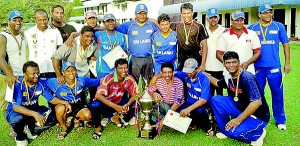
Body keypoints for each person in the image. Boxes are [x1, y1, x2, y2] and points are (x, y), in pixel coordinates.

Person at [207, 51, 270, 145]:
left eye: (234, 62)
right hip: (240, 107)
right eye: (228, 63)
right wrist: (204, 74)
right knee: (216, 100)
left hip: (257, 115)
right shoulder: (229, 76)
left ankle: (259, 134)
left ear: (239, 62)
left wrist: (237, 120)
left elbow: (256, 102)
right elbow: (217, 83)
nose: (231, 65)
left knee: (234, 132)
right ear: (224, 64)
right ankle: (226, 129)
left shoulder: (247, 78)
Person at [5, 61, 71, 146]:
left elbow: (51, 99)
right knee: (17, 119)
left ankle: (30, 128)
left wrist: (65, 102)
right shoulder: (17, 84)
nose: (37, 76)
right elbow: (16, 107)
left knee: (53, 117)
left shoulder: (41, 83)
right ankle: (20, 137)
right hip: (16, 112)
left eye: (38, 72)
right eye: (33, 74)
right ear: (25, 74)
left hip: (32, 109)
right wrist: (35, 114)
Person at [248, 4, 291, 130]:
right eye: (265, 13)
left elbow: (285, 44)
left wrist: (287, 63)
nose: (268, 15)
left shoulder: (279, 26)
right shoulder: (252, 28)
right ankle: (259, 116)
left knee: (277, 93)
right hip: (257, 68)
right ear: (259, 14)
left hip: (274, 67)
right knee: (257, 94)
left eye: (270, 12)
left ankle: (280, 119)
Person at [47, 62, 100, 140]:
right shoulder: (54, 82)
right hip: (63, 105)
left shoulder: (82, 80)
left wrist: (112, 78)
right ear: (63, 73)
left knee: (88, 115)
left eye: (73, 70)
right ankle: (64, 127)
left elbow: (98, 82)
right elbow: (40, 83)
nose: (71, 73)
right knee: (60, 109)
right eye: (68, 71)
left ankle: (75, 119)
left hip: (77, 105)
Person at [90, 58, 140, 140]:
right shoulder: (109, 78)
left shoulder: (130, 78)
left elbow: (136, 95)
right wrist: (115, 107)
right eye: (120, 68)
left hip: (118, 103)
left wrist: (127, 104)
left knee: (137, 103)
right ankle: (99, 126)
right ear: (115, 69)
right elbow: (98, 95)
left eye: (125, 68)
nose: (124, 71)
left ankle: (116, 116)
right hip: (106, 104)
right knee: (95, 105)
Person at [115, 3, 159, 89]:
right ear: (135, 14)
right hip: (134, 59)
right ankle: (132, 101)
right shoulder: (129, 25)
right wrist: (96, 28)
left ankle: (147, 101)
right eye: (140, 13)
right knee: (132, 82)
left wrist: (150, 19)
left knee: (148, 83)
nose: (142, 16)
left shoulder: (151, 25)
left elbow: (161, 27)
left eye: (144, 13)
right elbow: (113, 28)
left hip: (148, 58)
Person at [0, 10, 27, 138]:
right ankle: (12, 128)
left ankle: (22, 124)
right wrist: (9, 75)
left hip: (21, 75)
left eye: (20, 20)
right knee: (7, 102)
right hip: (7, 76)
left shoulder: (21, 35)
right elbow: (0, 58)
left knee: (20, 102)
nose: (18, 22)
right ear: (9, 21)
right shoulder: (3, 36)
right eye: (14, 20)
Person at [174, 58, 213, 135]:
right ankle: (194, 122)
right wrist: (155, 78)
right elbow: (171, 73)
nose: (188, 73)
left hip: (202, 104)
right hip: (189, 103)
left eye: (191, 70)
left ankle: (209, 127)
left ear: (197, 69)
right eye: (186, 70)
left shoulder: (203, 78)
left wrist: (188, 110)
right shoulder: (185, 75)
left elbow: (204, 100)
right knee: (177, 112)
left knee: (200, 111)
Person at [216, 10, 261, 75]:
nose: (239, 22)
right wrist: (230, 65)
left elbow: (258, 52)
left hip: (248, 72)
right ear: (231, 21)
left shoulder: (252, 34)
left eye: (241, 20)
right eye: (236, 20)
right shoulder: (224, 36)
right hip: (229, 73)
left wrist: (247, 63)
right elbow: (218, 54)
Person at [24, 9, 63, 79]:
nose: (43, 22)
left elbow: (60, 50)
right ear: (35, 20)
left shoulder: (55, 31)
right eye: (39, 20)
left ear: (48, 19)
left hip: (53, 69)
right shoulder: (28, 33)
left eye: (45, 19)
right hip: (36, 71)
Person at [148, 62, 184, 129]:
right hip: (165, 105)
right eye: (164, 72)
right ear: (161, 73)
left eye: (169, 72)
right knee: (161, 106)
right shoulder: (159, 81)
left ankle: (166, 119)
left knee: (179, 125)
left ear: (173, 73)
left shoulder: (179, 82)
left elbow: (177, 102)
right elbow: (149, 90)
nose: (167, 75)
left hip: (177, 107)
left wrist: (163, 120)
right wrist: (153, 93)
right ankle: (157, 121)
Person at [176, 3, 209, 71]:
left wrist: (203, 64)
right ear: (181, 14)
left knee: (194, 81)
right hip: (182, 62)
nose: (186, 16)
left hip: (196, 62)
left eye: (188, 13)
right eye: (184, 13)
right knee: (182, 81)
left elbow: (205, 46)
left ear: (192, 13)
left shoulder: (199, 26)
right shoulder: (177, 27)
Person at [94, 14, 126, 79]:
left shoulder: (121, 36)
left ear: (115, 22)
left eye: (112, 21)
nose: (110, 23)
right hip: (102, 69)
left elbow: (124, 51)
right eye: (108, 21)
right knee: (102, 88)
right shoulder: (98, 34)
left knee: (116, 89)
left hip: (116, 70)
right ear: (104, 23)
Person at [205, 8, 226, 96]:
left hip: (221, 67)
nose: (213, 20)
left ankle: (220, 110)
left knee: (220, 94)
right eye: (211, 18)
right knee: (209, 94)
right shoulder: (204, 30)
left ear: (218, 18)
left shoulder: (224, 30)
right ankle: (210, 110)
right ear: (207, 19)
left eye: (215, 17)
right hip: (208, 67)